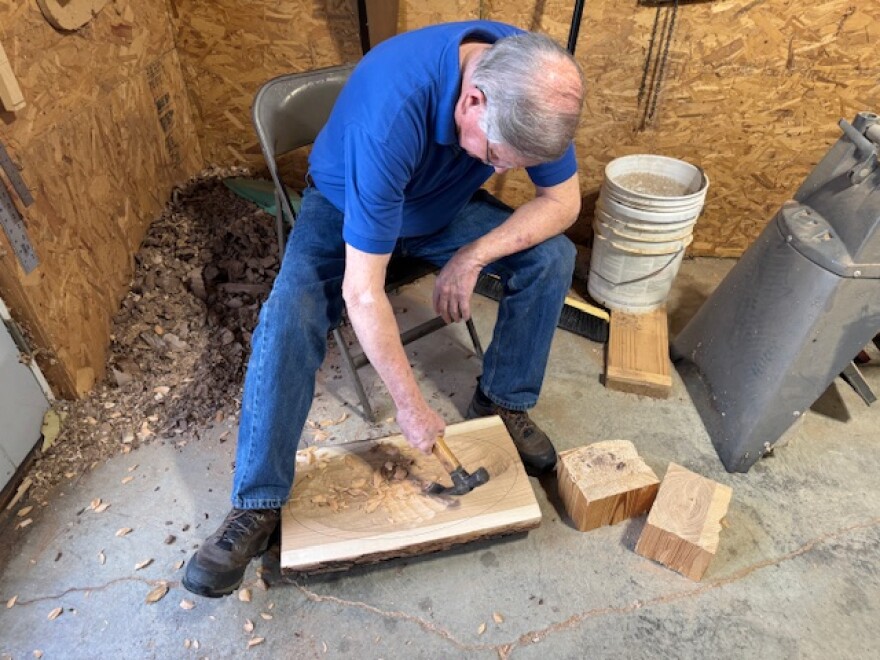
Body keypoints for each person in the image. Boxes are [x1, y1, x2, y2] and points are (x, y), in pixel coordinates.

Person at [183, 19, 585, 598]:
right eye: (498, 155)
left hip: (440, 207)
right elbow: (362, 291)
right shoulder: (393, 112)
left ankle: (503, 402)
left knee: (550, 258)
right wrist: (412, 407)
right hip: (347, 205)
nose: (500, 170)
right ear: (473, 98)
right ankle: (258, 503)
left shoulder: (536, 81)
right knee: (288, 312)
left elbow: (563, 201)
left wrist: (473, 255)